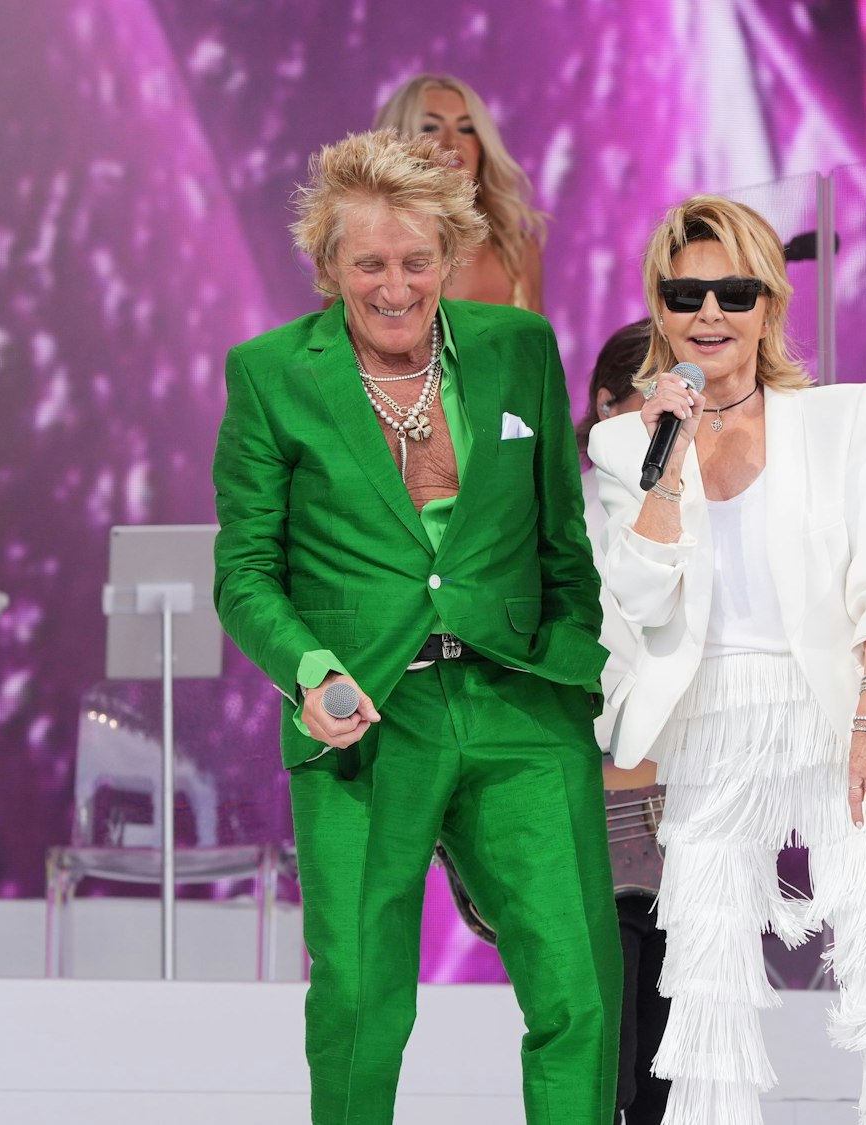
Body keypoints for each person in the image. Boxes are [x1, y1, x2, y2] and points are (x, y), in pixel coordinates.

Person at [213, 129, 618, 1125]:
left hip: (520, 702)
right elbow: (243, 570)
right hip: (363, 712)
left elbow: (561, 536)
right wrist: (310, 670)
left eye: (414, 262)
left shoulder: (518, 349)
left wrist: (581, 676)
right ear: (328, 270)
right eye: (369, 265)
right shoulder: (271, 374)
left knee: (580, 989)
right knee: (357, 999)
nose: (394, 286)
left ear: (448, 258)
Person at [586, 195, 866, 1125]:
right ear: (659, 306)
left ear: (768, 303)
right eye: (685, 294)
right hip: (709, 719)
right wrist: (665, 464)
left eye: (732, 291)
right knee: (707, 983)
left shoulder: (845, 418)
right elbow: (635, 600)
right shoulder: (622, 441)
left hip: (842, 708)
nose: (708, 313)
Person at [579, 319, 668, 1124]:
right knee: (606, 1073)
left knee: (669, 1076)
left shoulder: (707, 504)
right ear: (607, 404)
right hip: (595, 812)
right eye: (653, 392)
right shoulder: (565, 515)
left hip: (683, 827)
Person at [373, 74, 546, 312]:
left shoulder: (519, 253)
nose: (452, 142)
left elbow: (539, 349)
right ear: (398, 142)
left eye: (466, 128)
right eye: (431, 127)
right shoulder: (364, 245)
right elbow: (330, 345)